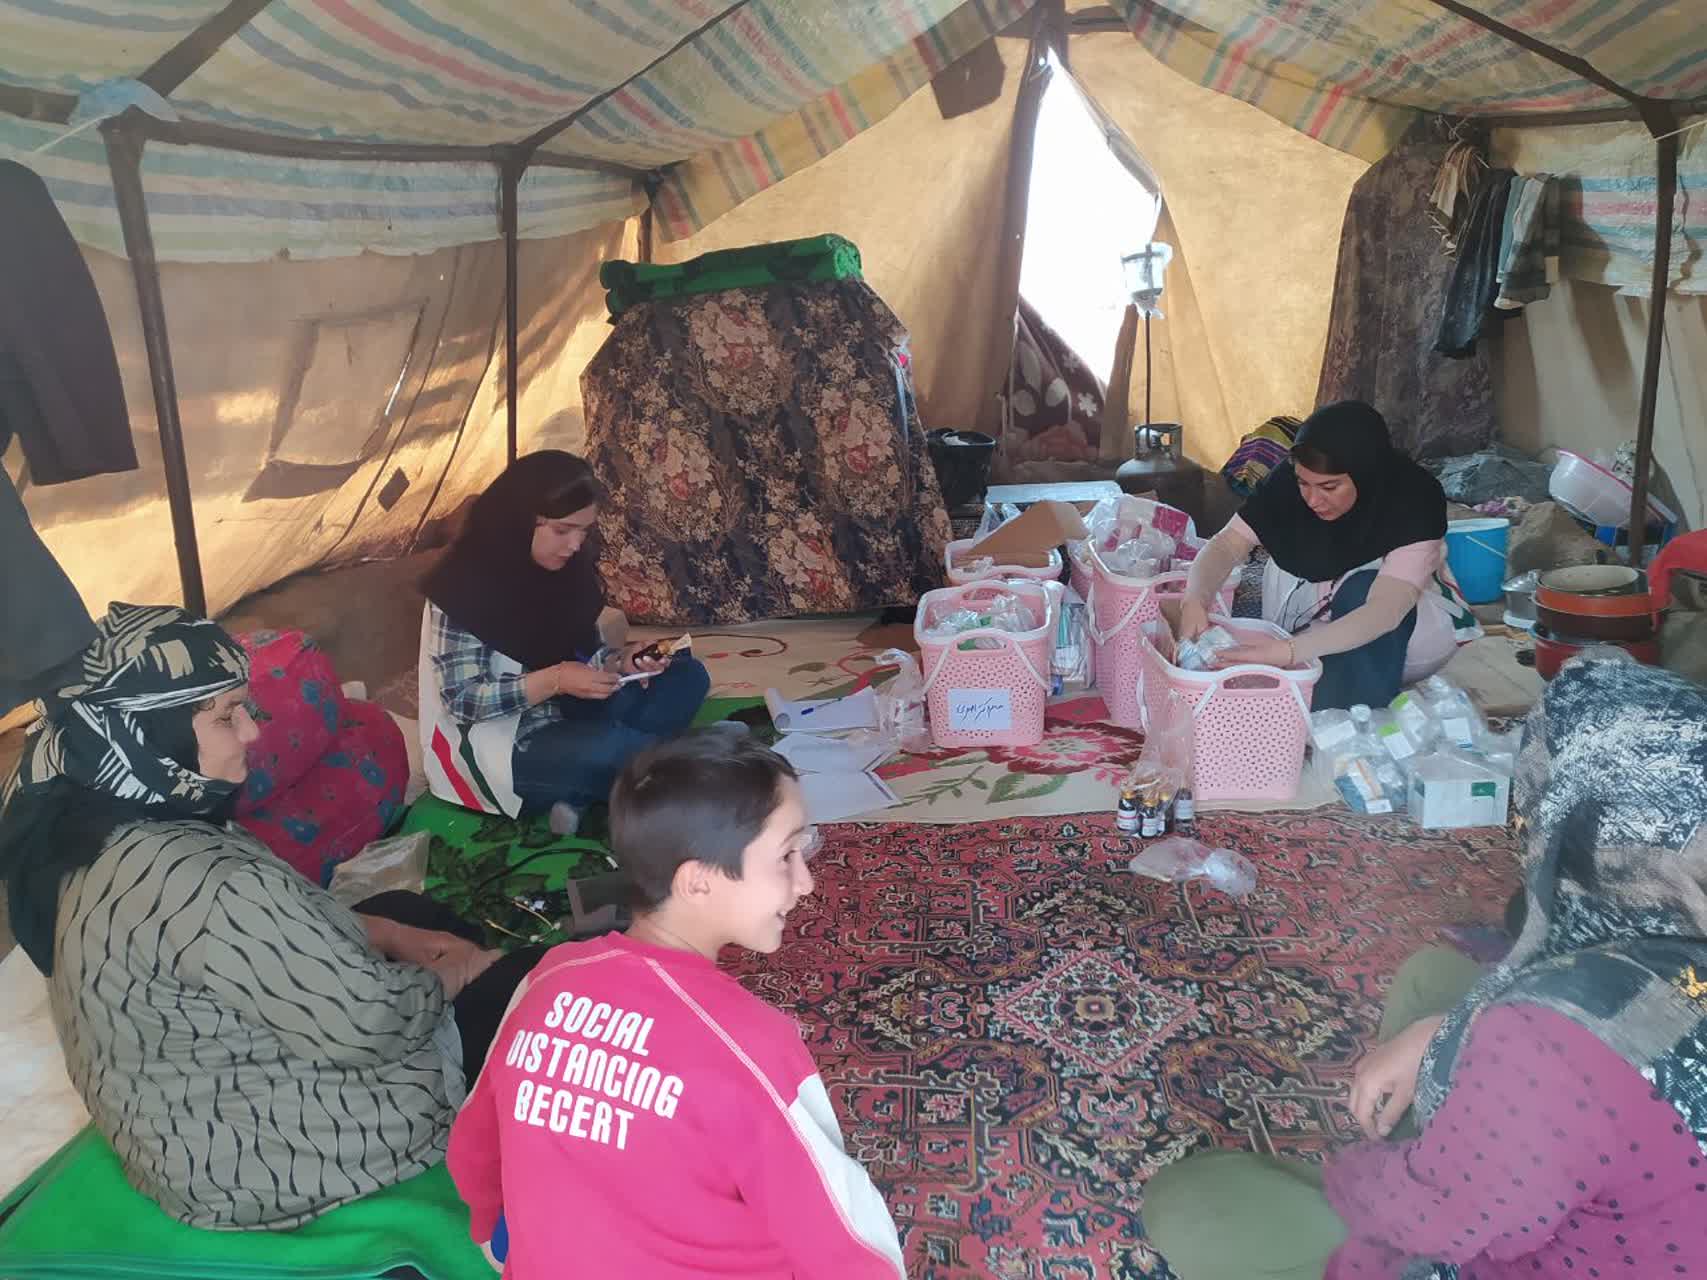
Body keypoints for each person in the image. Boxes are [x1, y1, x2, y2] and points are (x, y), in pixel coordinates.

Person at [1144, 656, 1707, 1279]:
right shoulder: (1666, 923)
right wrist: (1448, 1033)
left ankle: (1432, 1145)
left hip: (1518, 1243)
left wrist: (1364, 1172)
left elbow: (1430, 1215)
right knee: (1437, 979)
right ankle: (1454, 1125)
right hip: (1622, 1174)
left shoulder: (1554, 1042)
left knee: (1191, 1200)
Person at [0, 603, 539, 1229]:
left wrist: (392, 933)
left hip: (174, 1135)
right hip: (272, 1160)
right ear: (151, 729)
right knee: (531, 987)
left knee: (396, 911)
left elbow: (266, 932)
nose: (252, 733)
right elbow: (370, 1023)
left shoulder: (97, 816)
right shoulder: (216, 885)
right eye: (226, 715)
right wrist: (455, 974)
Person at [447, 731, 906, 1279]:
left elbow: (474, 1149)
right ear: (698, 881)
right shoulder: (749, 1045)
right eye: (786, 856)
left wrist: (497, 1238)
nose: (805, 882)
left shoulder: (547, 979)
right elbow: (848, 1242)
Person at [420, 450, 710, 829]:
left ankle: (583, 794)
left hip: (570, 711)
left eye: (583, 531)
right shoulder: (462, 586)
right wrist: (556, 680)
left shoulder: (563, 568)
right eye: (562, 530)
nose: (575, 544)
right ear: (519, 520)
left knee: (687, 676)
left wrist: (621, 662)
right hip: (504, 745)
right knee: (617, 749)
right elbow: (463, 701)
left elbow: (582, 654)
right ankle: (667, 763)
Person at [1180, 401, 1475, 709]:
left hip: (1399, 637)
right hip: (1312, 626)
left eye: (1329, 487)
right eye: (1303, 484)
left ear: (1364, 474)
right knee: (1282, 697)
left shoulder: (1412, 501)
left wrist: (1286, 652)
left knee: (1332, 697)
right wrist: (1195, 599)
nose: (1312, 500)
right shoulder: (1291, 479)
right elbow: (1227, 544)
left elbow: (1385, 611)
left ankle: (1364, 707)